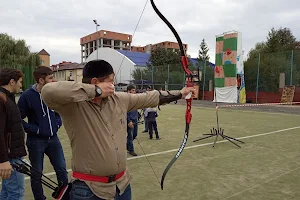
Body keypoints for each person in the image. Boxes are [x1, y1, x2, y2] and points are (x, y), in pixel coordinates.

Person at [40, 59, 195, 200]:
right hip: (89, 190)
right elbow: (48, 91)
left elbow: (151, 97)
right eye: (110, 82)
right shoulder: (72, 106)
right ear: (95, 82)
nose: (113, 86)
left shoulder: (119, 99)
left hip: (122, 186)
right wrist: (96, 91)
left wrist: (181, 94)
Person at [17, 66, 68, 200]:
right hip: (36, 141)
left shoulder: (53, 94)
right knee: (37, 174)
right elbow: (18, 119)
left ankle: (65, 197)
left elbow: (58, 111)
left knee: (62, 170)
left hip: (54, 139)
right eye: (50, 78)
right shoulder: (27, 96)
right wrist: (36, 130)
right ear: (41, 80)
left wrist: (57, 124)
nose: (53, 80)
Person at [0, 68, 27, 200]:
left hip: (12, 155)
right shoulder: (2, 100)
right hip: (11, 157)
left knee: (6, 192)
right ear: (12, 82)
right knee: (16, 193)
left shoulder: (8, 98)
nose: (21, 85)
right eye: (20, 82)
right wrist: (3, 160)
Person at [126, 85, 138, 156]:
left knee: (135, 134)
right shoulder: (126, 99)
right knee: (130, 135)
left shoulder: (135, 99)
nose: (134, 92)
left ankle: (127, 145)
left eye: (134, 90)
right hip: (130, 120)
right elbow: (125, 112)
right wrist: (128, 121)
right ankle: (131, 150)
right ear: (129, 91)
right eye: (133, 90)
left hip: (135, 119)